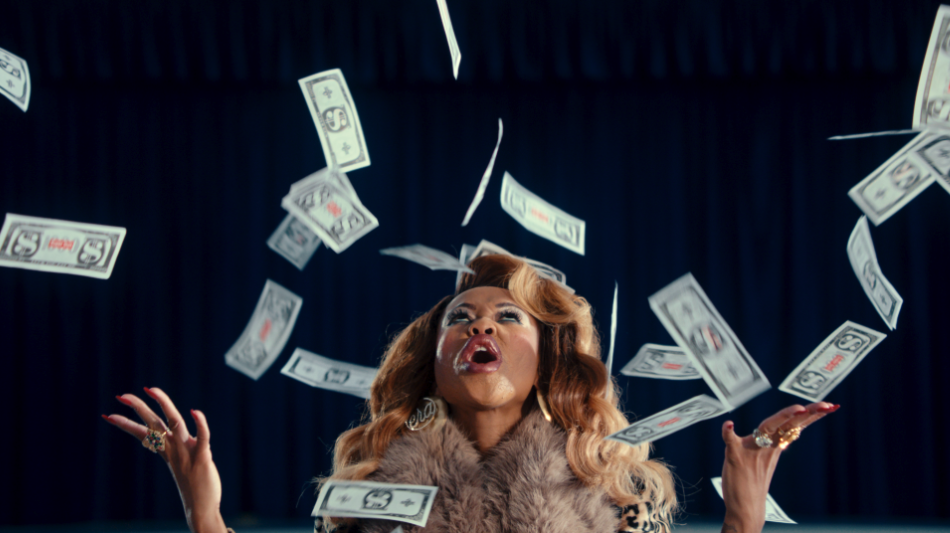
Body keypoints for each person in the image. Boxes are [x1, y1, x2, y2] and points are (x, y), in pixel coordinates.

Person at [103, 254, 839, 533]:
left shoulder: (612, 493)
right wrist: (205, 512)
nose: (479, 324)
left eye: (504, 316)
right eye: (462, 318)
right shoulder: (366, 495)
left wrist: (744, 515)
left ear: (546, 356)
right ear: (437, 360)